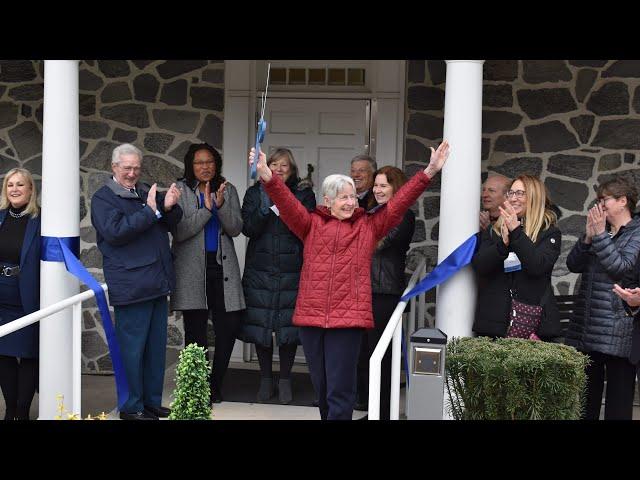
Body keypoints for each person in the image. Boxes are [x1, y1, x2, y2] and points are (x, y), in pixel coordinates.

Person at [249, 140, 449, 420]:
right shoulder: (310, 224)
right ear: (327, 201)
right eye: (343, 197)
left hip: (348, 320)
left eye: (353, 197)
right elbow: (286, 202)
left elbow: (400, 202)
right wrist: (267, 176)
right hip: (312, 319)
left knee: (340, 391)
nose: (351, 202)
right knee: (321, 389)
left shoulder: (368, 226)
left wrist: (428, 171)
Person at [91, 143, 182, 420]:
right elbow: (115, 232)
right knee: (132, 352)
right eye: (127, 168)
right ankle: (131, 407)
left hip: (156, 281)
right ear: (114, 167)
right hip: (131, 285)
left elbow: (171, 222)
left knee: (155, 350)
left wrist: (167, 207)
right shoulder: (103, 199)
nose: (132, 173)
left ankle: (151, 403)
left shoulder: (144, 192)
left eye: (136, 168)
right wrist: (152, 212)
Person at [170, 142, 245, 405]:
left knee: (228, 328)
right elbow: (180, 232)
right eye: (200, 163)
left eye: (210, 162)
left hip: (223, 270)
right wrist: (208, 209)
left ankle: (215, 384)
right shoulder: (180, 190)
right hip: (193, 271)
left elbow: (236, 228)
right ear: (191, 165)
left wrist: (221, 205)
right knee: (195, 333)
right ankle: (197, 388)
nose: (206, 167)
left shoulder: (228, 189)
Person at [240, 148, 316, 404]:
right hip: (260, 269)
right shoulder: (254, 193)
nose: (280, 169)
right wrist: (266, 209)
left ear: (292, 169)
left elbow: (307, 228)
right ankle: (265, 379)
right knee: (262, 326)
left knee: (287, 328)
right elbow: (248, 228)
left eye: (285, 165)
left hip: (292, 268)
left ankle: (285, 379)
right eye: (275, 164)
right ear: (266, 166)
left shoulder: (304, 195)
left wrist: (284, 205)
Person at [566, 175, 640, 420]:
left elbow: (622, 268)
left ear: (623, 201)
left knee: (618, 406)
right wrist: (588, 238)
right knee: (586, 404)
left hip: (619, 331)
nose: (598, 206)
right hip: (588, 330)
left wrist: (599, 237)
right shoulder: (600, 231)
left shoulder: (637, 233)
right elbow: (573, 264)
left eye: (603, 200)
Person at [472, 174, 562, 341]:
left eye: (520, 193)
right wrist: (503, 245)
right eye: (511, 193)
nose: (514, 198)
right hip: (494, 325)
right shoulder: (494, 230)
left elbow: (537, 266)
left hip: (531, 326)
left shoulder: (549, 232)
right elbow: (480, 266)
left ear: (534, 197)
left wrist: (516, 233)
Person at [365, 166, 415, 420]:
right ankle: (370, 408)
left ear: (396, 187)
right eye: (376, 185)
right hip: (366, 290)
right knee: (367, 354)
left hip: (384, 292)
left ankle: (383, 413)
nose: (378, 190)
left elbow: (377, 244)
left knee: (381, 357)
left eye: (384, 185)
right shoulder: (372, 212)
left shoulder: (403, 216)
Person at [0, 168, 40, 420]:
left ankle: (23, 411)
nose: (14, 189)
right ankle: (10, 409)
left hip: (27, 295)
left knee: (28, 353)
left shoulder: (41, 220)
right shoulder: (0, 218)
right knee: (2, 352)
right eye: (9, 185)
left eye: (20, 185)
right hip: (1, 295)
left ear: (30, 190)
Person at [350, 153, 377, 410]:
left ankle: (366, 395)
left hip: (373, 283)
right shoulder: (349, 199)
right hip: (349, 282)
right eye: (353, 170)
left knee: (367, 346)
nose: (356, 175)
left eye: (362, 171)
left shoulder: (374, 203)